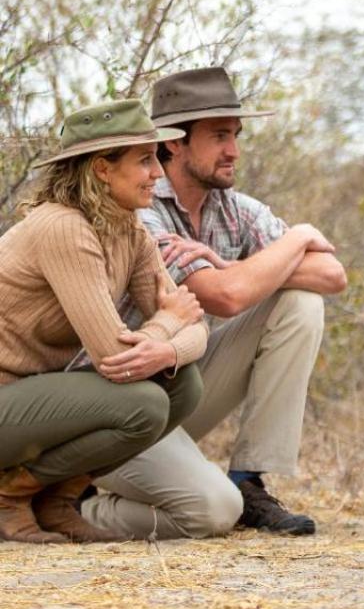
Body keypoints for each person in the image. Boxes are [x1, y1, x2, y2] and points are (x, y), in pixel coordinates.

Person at [83, 67, 345, 539]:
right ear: (174, 143)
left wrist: (224, 262)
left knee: (301, 302)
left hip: (176, 391)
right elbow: (227, 298)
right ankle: (72, 508)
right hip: (115, 410)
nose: (234, 150)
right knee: (210, 512)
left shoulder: (235, 209)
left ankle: (249, 480)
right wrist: (301, 235)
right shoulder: (140, 207)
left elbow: (332, 275)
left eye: (237, 135)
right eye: (220, 135)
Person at [0, 99, 208, 543]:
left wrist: (168, 345)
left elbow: (196, 327)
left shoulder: (130, 231)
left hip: (28, 402)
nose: (158, 173)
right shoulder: (63, 228)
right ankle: (8, 497)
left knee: (183, 383)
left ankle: (56, 500)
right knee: (144, 404)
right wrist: (168, 324)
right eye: (145, 160)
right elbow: (115, 358)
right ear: (101, 169)